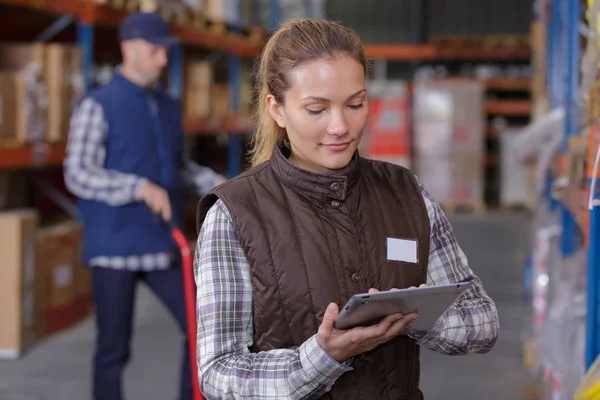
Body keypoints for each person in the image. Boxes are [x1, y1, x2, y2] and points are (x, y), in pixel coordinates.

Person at [194, 18, 499, 400]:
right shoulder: (234, 215)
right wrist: (320, 358)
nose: (341, 127)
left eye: (355, 104)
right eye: (317, 109)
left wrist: (412, 315)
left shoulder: (406, 193)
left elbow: (482, 322)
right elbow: (218, 372)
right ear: (277, 109)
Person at [63, 12, 225, 400]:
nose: (163, 61)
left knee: (200, 327)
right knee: (112, 351)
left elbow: (181, 168)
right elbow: (77, 173)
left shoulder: (168, 106)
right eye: (155, 51)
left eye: (165, 52)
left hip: (160, 242)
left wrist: (223, 186)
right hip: (114, 248)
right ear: (129, 48)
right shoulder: (97, 105)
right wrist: (137, 187)